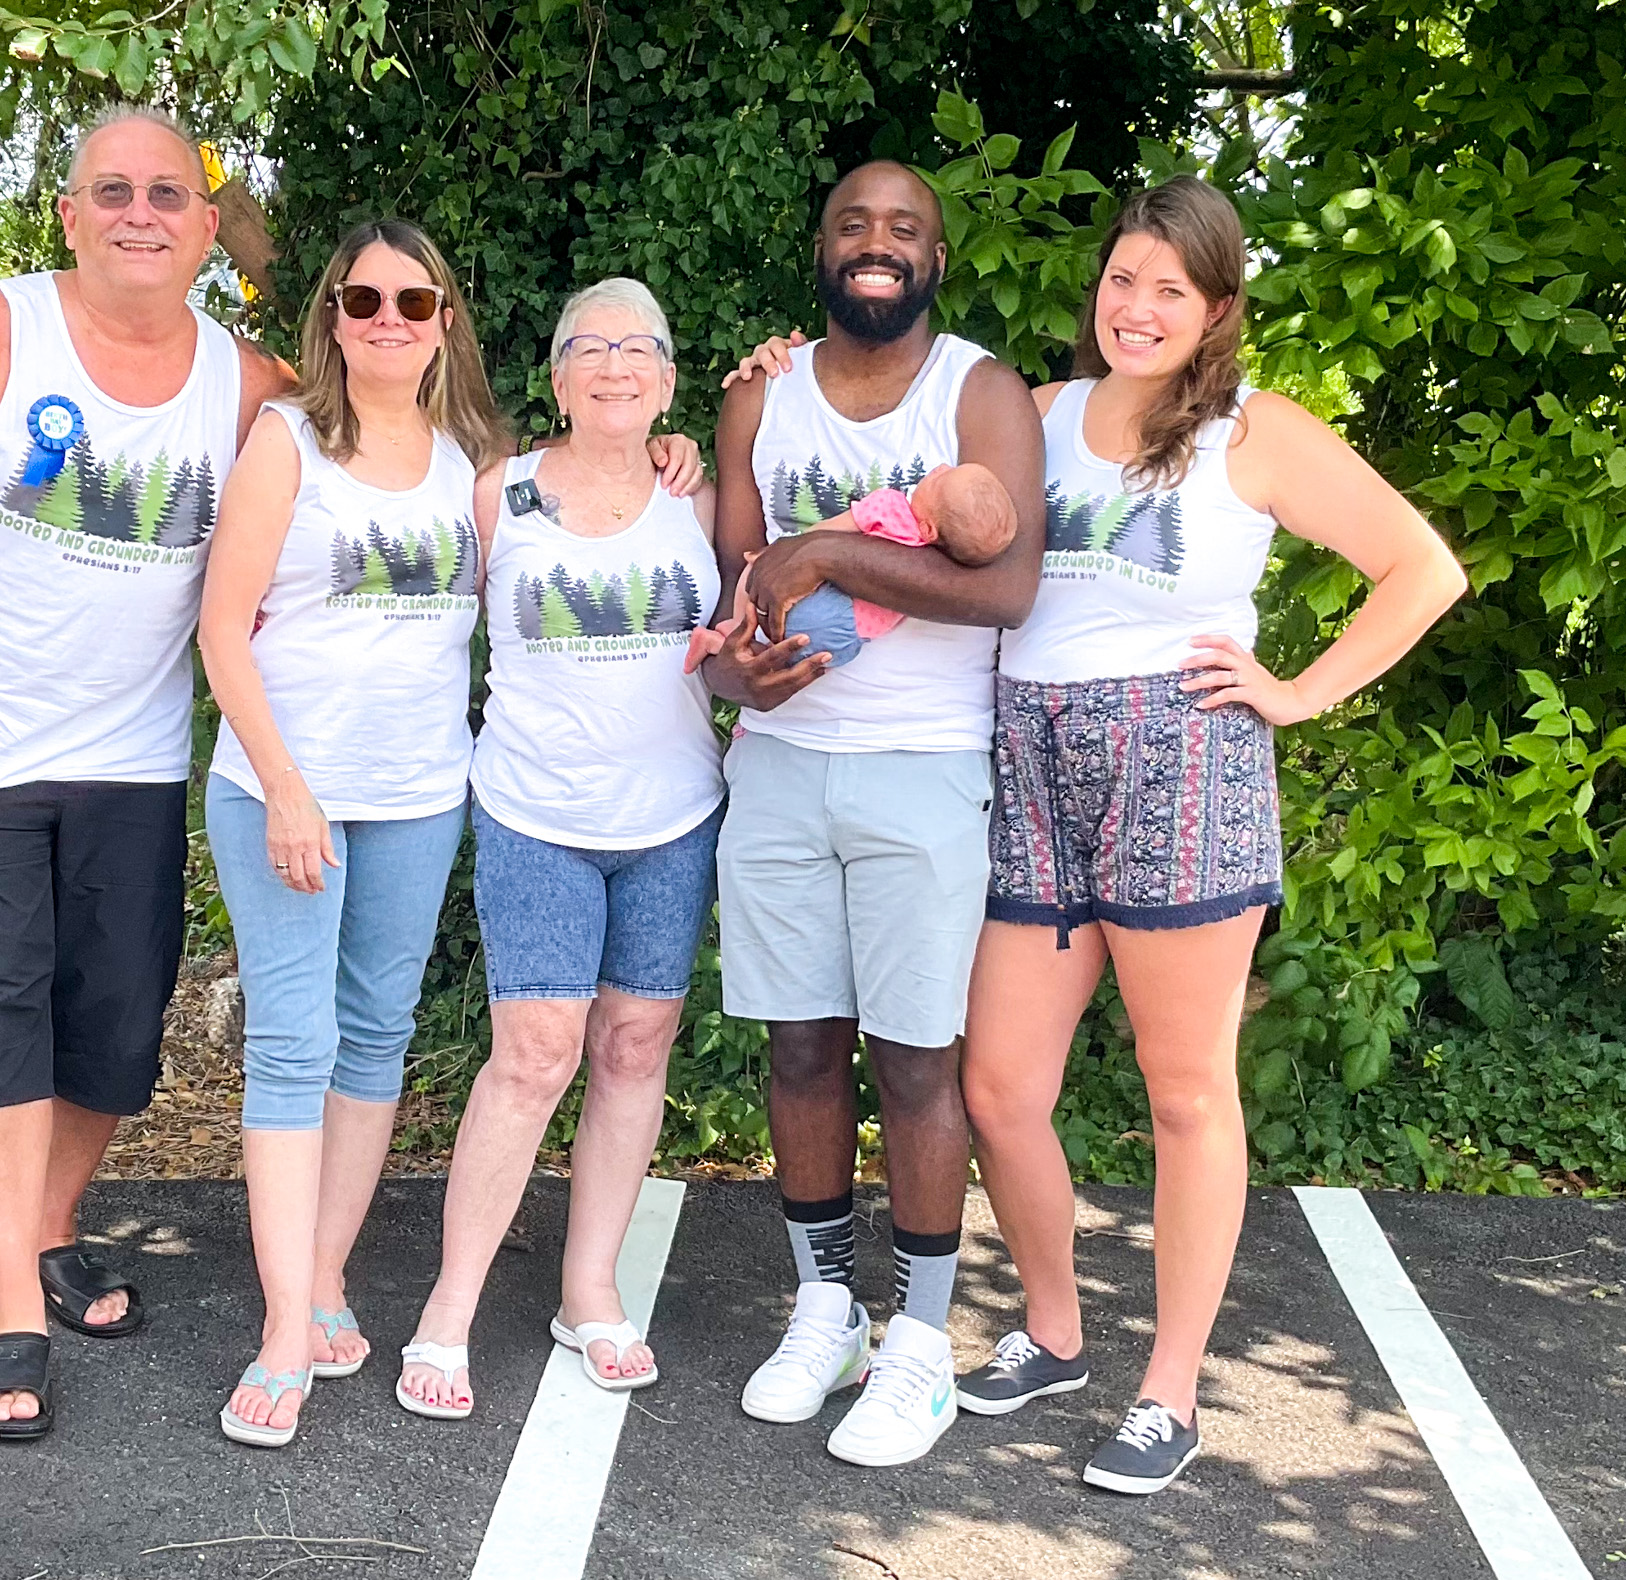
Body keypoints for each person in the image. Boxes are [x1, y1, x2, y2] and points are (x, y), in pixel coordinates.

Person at [956, 176, 1466, 1494]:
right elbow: (899, 490)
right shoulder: (1035, 414)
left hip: (1180, 764)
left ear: (1217, 308)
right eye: (1121, 280)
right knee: (999, 1085)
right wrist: (763, 382)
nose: (1136, 307)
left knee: (1185, 1092)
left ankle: (1168, 1391)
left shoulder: (1254, 431)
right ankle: (1054, 1334)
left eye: (1169, 289)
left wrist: (1297, 691)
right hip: (1031, 760)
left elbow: (1423, 567)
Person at [0, 106, 293, 1440]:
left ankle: (45, 1225)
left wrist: (668, 442)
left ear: (207, 225)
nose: (141, 213)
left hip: (130, 768)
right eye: (114, 190)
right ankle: (8, 1311)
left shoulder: (247, 384)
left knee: (115, 1033)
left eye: (171, 194)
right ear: (70, 212)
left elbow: (389, 415)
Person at [197, 233, 702, 1447]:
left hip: (420, 792)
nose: (389, 315)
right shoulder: (289, 442)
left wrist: (676, 445)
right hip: (289, 790)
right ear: (332, 315)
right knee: (292, 1043)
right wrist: (284, 785)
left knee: (375, 1034)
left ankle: (324, 1278)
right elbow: (221, 625)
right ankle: (283, 1326)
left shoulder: (473, 464)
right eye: (364, 297)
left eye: (413, 298)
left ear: (443, 320)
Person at [701, 160, 1045, 1468]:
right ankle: (828, 1310)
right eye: (854, 223)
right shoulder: (760, 395)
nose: (878, 242)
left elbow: (1007, 589)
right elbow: (733, 594)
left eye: (905, 228)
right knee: (799, 1046)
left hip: (923, 764)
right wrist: (735, 677)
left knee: (912, 1060)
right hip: (780, 762)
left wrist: (834, 552)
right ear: (822, 247)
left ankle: (921, 1341)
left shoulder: (979, 389)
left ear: (936, 258)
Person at [397, 278, 722, 1419]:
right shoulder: (502, 492)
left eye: (639, 347)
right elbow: (423, 626)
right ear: (557, 377)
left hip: (672, 817)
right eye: (590, 346)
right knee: (534, 1056)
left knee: (633, 1047)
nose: (615, 364)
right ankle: (449, 1307)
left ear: (668, 381)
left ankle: (589, 1289)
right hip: (535, 813)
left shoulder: (699, 495)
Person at [685, 460, 1017, 671]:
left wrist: (783, 552)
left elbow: (830, 532)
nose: (941, 466)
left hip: (821, 606)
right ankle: (727, 644)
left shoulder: (891, 507)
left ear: (929, 529)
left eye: (941, 479)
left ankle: (730, 631)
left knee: (757, 571)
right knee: (783, 660)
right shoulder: (936, 563)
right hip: (848, 640)